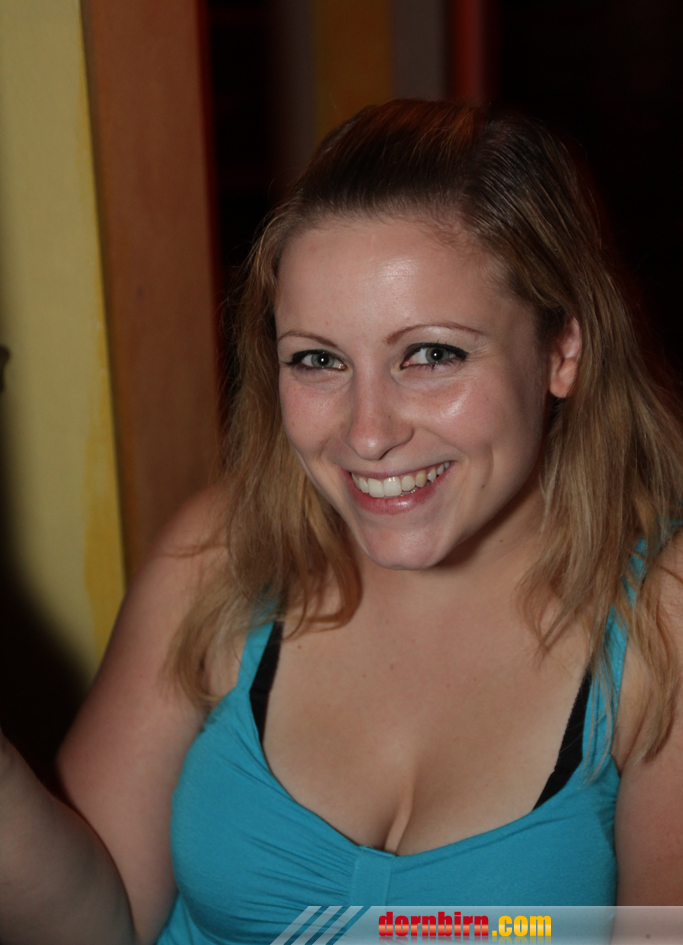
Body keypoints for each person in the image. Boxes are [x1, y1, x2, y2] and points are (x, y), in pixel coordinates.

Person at [1, 99, 683, 945]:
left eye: (430, 354)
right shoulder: (221, 554)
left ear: (561, 352)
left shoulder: (660, 613)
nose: (365, 434)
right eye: (317, 360)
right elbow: (97, 923)